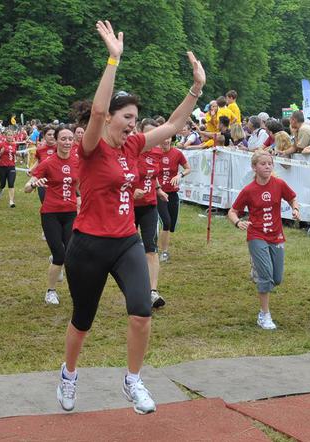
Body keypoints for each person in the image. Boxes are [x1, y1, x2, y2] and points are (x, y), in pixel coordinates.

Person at [55, 20, 205, 415]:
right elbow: (100, 106)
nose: (132, 126)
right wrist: (112, 59)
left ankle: (133, 379)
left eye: (136, 120)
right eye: (127, 118)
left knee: (141, 309)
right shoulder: (90, 148)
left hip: (125, 242)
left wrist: (196, 88)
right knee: (82, 321)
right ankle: (69, 374)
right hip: (87, 245)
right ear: (109, 120)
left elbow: (173, 125)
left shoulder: (133, 146)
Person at [227, 150, 300, 330]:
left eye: (270, 163)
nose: (267, 166)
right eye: (263, 164)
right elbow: (232, 211)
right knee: (266, 277)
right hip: (256, 235)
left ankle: (258, 270)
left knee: (277, 279)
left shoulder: (279, 184)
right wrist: (238, 223)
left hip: (276, 235)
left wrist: (295, 209)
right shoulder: (249, 190)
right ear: (254, 167)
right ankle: (264, 314)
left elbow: (292, 198)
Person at [24, 126, 80, 305]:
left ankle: (75, 291)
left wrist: (81, 198)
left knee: (70, 255)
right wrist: (34, 184)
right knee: (59, 255)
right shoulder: (48, 162)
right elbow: (26, 187)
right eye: (63, 139)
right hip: (51, 214)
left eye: (70, 139)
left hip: (71, 212)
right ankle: (50, 291)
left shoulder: (77, 161)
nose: (67, 142)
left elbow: (79, 185)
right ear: (56, 141)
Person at [133, 119, 168, 308]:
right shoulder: (129, 150)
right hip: (128, 207)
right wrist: (131, 192)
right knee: (128, 250)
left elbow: (152, 175)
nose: (152, 138)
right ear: (139, 132)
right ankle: (134, 288)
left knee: (150, 248)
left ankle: (153, 291)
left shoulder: (156, 151)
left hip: (149, 205)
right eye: (148, 134)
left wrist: (159, 189)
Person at [158, 135, 191, 263]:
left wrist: (180, 175)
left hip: (172, 193)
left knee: (170, 224)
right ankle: (164, 252)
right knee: (165, 222)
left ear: (171, 140)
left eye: (168, 138)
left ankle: (161, 247)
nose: (165, 140)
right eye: (163, 138)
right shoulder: (154, 153)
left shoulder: (177, 153)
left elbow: (188, 168)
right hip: (159, 193)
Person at [0, 131, 21, 207]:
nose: (10, 137)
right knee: (3, 183)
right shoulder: (1, 144)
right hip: (2, 167)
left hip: (11, 166)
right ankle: (0, 189)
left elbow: (15, 153)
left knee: (11, 183)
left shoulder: (14, 145)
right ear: (6, 136)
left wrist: (18, 155)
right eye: (8, 135)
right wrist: (0, 152)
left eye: (11, 135)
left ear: (13, 136)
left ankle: (11, 201)